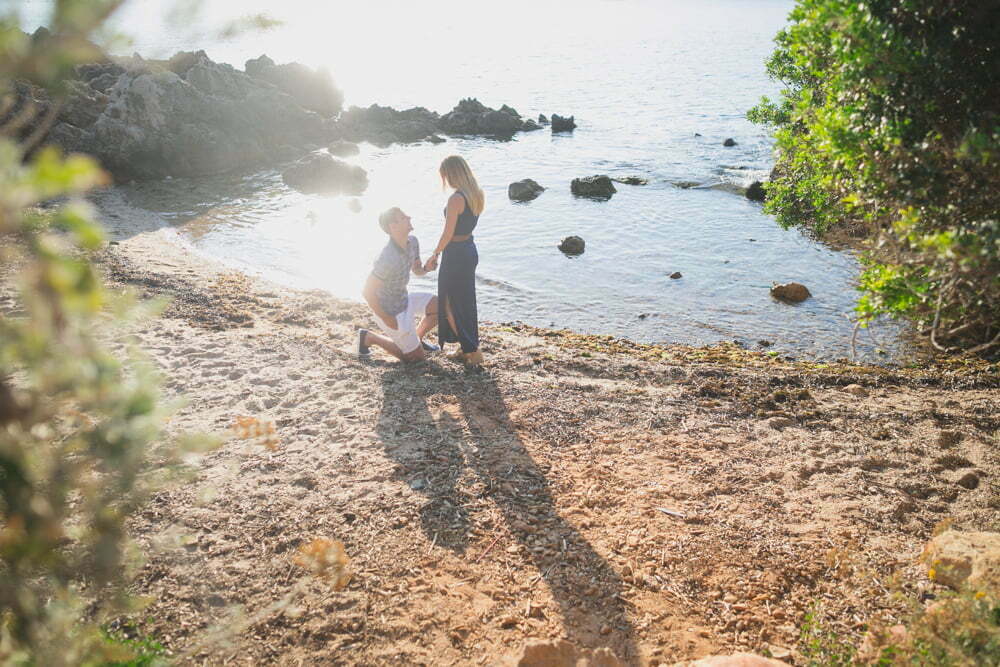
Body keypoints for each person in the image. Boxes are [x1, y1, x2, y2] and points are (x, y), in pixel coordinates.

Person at [424, 155, 485, 366]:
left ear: (451, 174)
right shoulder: (476, 194)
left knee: (449, 302)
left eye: (445, 175)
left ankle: (473, 350)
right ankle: (466, 347)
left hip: (456, 253)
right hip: (469, 249)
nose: (445, 180)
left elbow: (447, 233)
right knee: (466, 302)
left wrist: (435, 254)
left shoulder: (456, 199)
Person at [358, 207, 439, 362]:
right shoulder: (387, 258)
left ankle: (416, 339)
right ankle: (369, 337)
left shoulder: (413, 242)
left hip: (404, 298)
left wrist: (427, 268)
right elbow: (367, 291)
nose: (409, 217)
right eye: (403, 217)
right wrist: (386, 318)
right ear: (393, 226)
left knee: (442, 306)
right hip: (390, 310)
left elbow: (417, 270)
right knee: (416, 359)